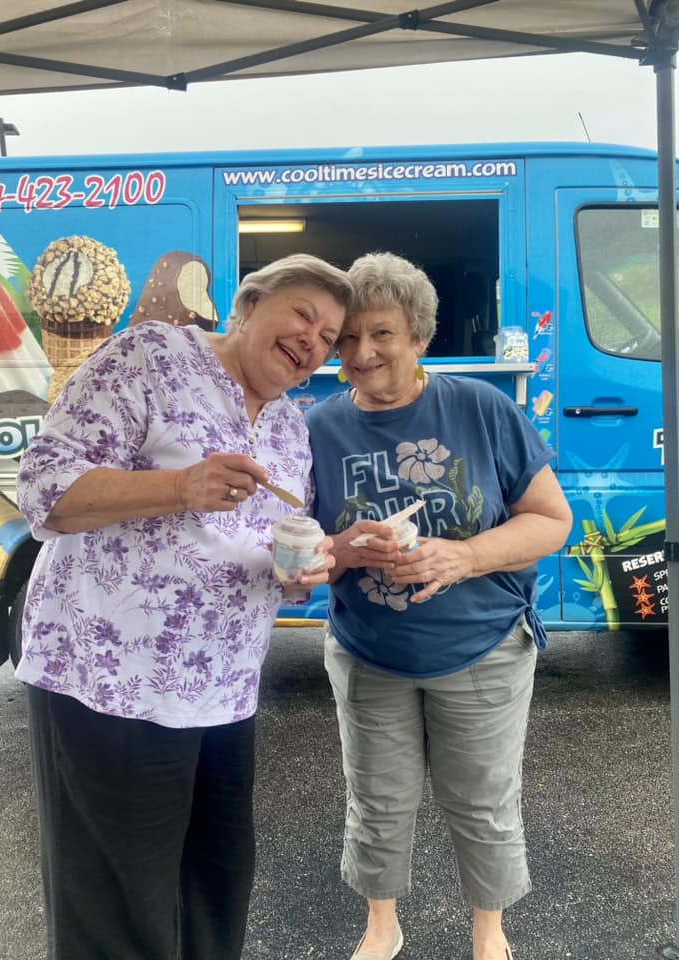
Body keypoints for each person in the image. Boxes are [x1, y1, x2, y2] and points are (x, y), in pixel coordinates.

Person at [15, 253, 353, 960]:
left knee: (214, 891)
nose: (313, 340)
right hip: (110, 682)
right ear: (249, 304)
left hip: (224, 691)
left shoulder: (292, 427)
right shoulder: (150, 355)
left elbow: (273, 550)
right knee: (117, 909)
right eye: (303, 314)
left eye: (329, 336)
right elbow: (45, 492)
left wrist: (313, 564)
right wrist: (179, 488)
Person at [304, 252, 573, 960]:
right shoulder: (318, 428)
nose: (362, 354)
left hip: (482, 647)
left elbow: (551, 521)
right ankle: (381, 924)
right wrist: (343, 548)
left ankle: (489, 933)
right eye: (349, 337)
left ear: (419, 336)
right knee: (378, 803)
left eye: (383, 334)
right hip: (369, 651)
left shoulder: (481, 407)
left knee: (482, 803)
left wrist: (464, 556)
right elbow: (304, 550)